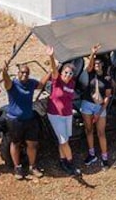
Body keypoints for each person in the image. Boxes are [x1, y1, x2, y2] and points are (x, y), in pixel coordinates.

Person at [1, 59, 45, 180]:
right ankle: (17, 167)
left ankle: (32, 167)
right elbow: (6, 81)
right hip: (15, 120)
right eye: (22, 72)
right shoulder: (13, 84)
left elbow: (41, 84)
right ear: (18, 73)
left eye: (26, 73)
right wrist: (4, 72)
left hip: (29, 118)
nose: (24, 75)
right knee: (15, 143)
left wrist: (51, 71)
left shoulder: (31, 83)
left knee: (32, 143)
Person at [44, 46, 80, 176]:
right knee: (64, 141)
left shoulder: (71, 84)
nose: (68, 75)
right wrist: (51, 56)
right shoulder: (57, 80)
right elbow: (53, 69)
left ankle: (62, 160)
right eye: (65, 72)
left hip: (67, 114)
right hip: (55, 114)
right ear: (62, 72)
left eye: (70, 73)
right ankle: (71, 164)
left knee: (64, 140)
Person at [79, 44, 113, 168]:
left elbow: (107, 96)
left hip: (99, 106)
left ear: (103, 65)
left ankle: (104, 157)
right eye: (95, 63)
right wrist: (92, 54)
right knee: (88, 130)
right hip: (87, 104)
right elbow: (89, 66)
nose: (97, 65)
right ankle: (91, 153)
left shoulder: (107, 78)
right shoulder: (90, 73)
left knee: (101, 132)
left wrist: (101, 111)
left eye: (99, 63)